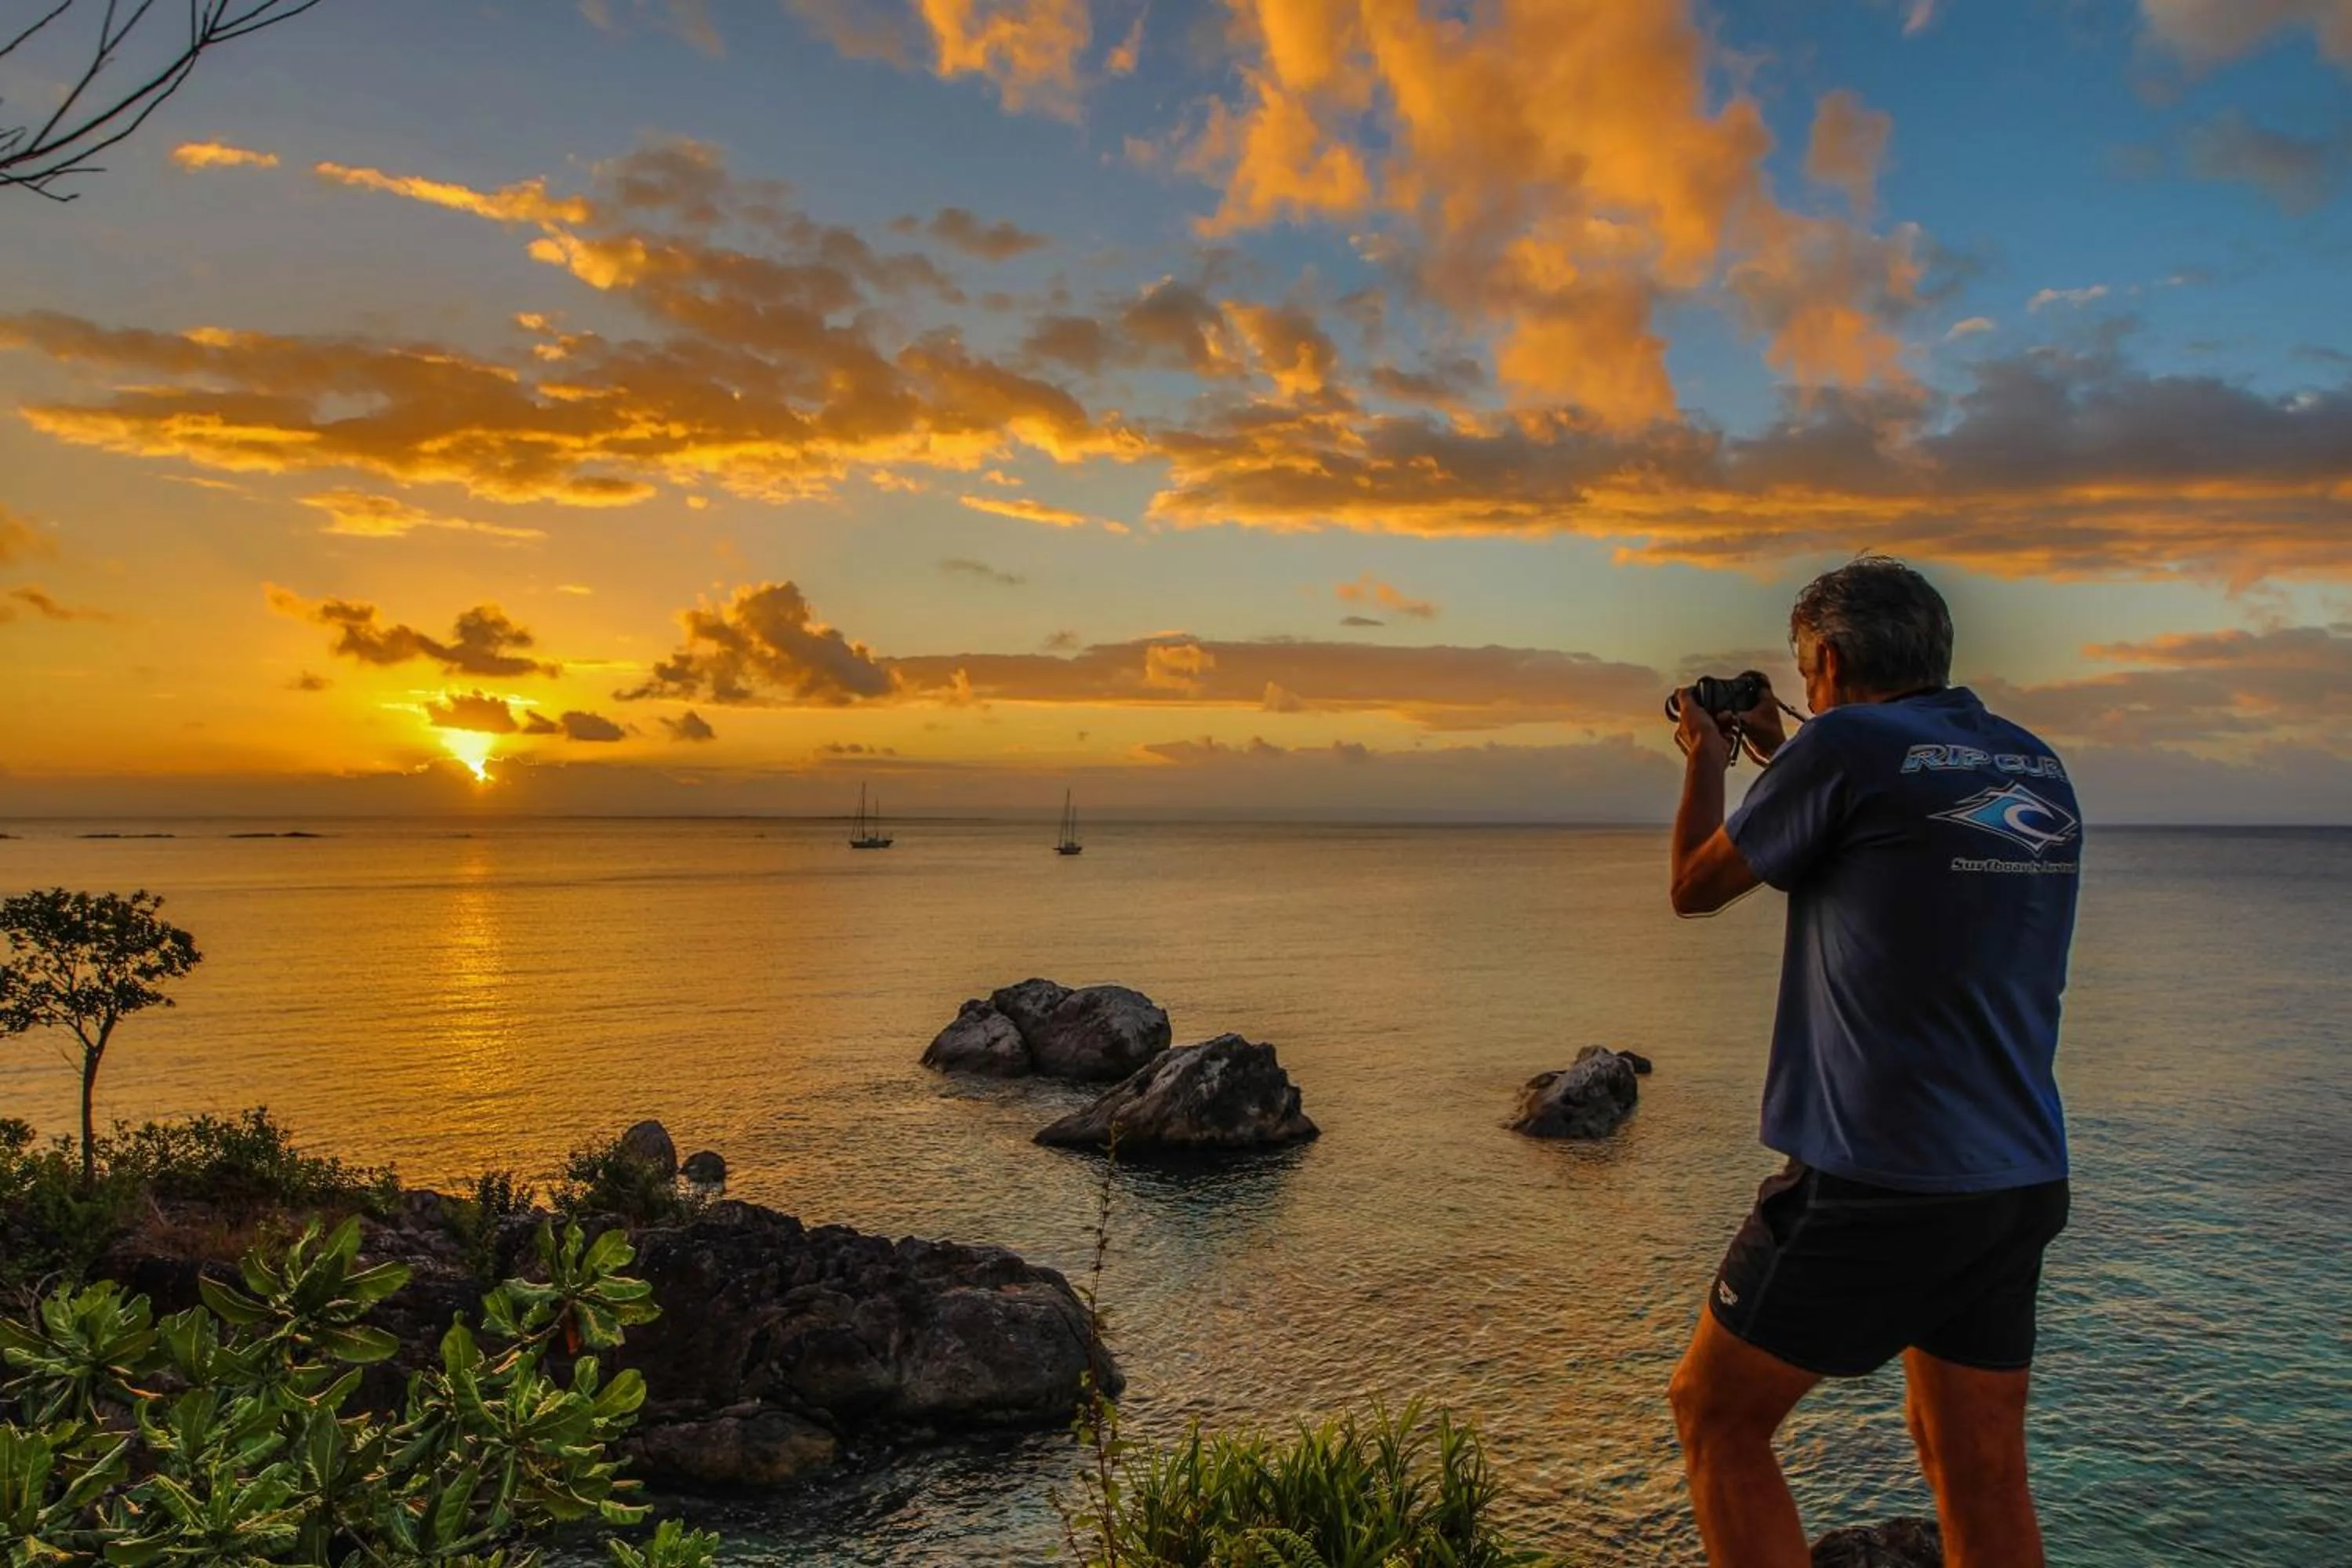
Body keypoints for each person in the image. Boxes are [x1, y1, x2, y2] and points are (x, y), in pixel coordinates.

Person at [1662, 556, 2082, 1568]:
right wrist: (1783, 746)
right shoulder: (2032, 766)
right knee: (1972, 1468)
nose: (1807, 694)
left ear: (1834, 660)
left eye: (1809, 673)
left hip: (1877, 1175)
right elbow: (1887, 818)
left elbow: (1694, 886)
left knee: (1713, 1416)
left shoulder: (1844, 744)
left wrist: (1706, 754)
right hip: (2015, 1176)